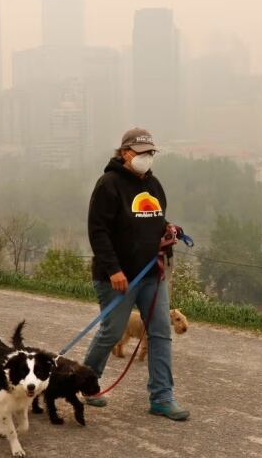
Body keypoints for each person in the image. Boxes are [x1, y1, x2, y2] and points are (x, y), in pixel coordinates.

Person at [82, 127, 189, 421]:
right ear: (126, 153)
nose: (148, 158)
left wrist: (168, 228)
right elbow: (98, 231)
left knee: (160, 333)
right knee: (113, 332)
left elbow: (155, 217)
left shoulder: (153, 185)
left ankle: (162, 397)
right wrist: (114, 270)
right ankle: (86, 383)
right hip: (118, 278)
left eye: (151, 153)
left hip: (152, 274)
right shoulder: (109, 184)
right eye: (143, 153)